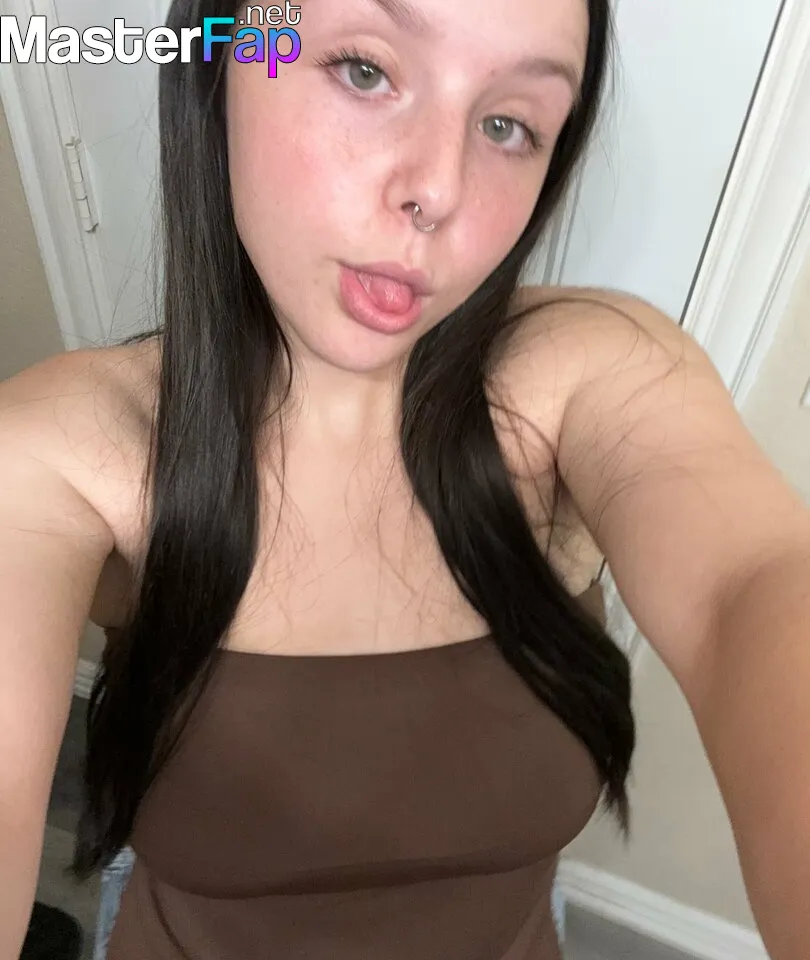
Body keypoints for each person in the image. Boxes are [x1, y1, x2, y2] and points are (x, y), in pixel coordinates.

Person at [2, 0, 809, 957]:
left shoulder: (591, 375)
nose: (439, 189)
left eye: (507, 124)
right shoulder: (65, 452)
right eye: (363, 70)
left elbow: (749, 584)